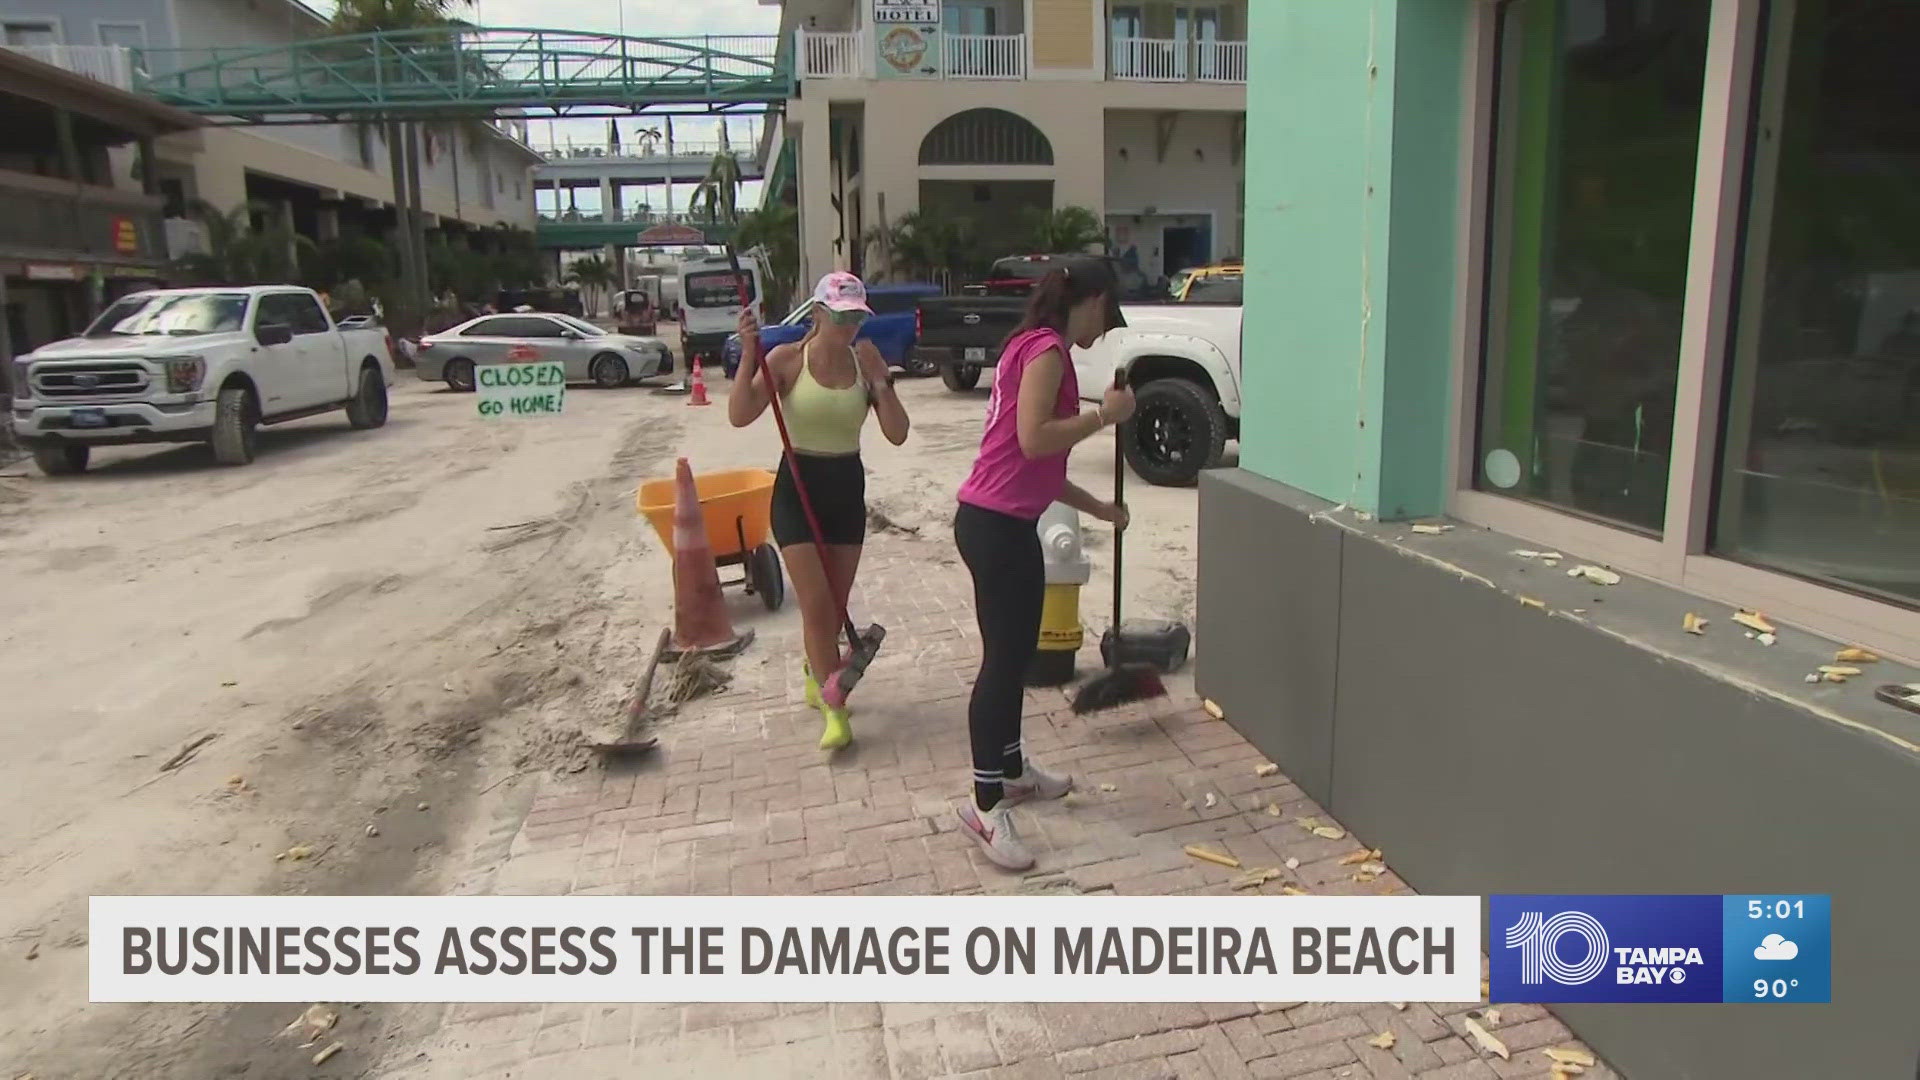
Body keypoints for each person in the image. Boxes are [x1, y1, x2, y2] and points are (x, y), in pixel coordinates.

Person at [950, 257, 1134, 870]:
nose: (1105, 331)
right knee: (1003, 665)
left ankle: (1011, 771)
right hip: (994, 527)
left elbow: (1037, 466)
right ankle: (984, 803)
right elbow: (1034, 438)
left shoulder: (1033, 344)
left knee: (1018, 655)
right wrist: (1104, 416)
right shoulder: (1048, 349)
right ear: (1093, 299)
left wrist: (1100, 507)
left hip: (1004, 522)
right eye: (1107, 316)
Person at [730, 272, 911, 751]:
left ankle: (818, 675)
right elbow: (740, 412)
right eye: (839, 315)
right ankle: (836, 710)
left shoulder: (863, 361)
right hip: (797, 489)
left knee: (832, 614)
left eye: (856, 316)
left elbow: (897, 432)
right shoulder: (787, 359)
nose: (849, 325)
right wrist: (750, 350)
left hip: (845, 491)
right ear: (816, 313)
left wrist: (881, 379)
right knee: (815, 607)